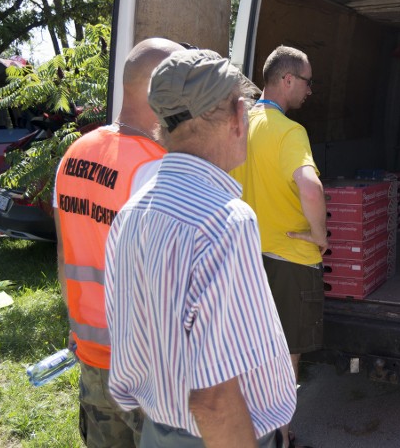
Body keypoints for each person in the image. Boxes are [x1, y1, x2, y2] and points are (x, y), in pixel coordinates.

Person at [105, 49, 296, 448]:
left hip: (158, 432)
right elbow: (212, 398)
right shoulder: (225, 221)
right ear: (238, 115)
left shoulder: (131, 212)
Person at [54, 38, 185, 447]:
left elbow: (65, 256)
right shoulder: (156, 167)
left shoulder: (74, 154)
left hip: (93, 356)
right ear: (156, 91)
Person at [230, 45, 327, 448]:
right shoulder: (289, 131)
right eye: (307, 82)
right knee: (286, 356)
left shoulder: (239, 123)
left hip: (245, 256)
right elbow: (310, 185)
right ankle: (281, 438)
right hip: (289, 259)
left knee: (250, 352)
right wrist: (320, 235)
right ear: (287, 80)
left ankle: (251, 431)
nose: (309, 90)